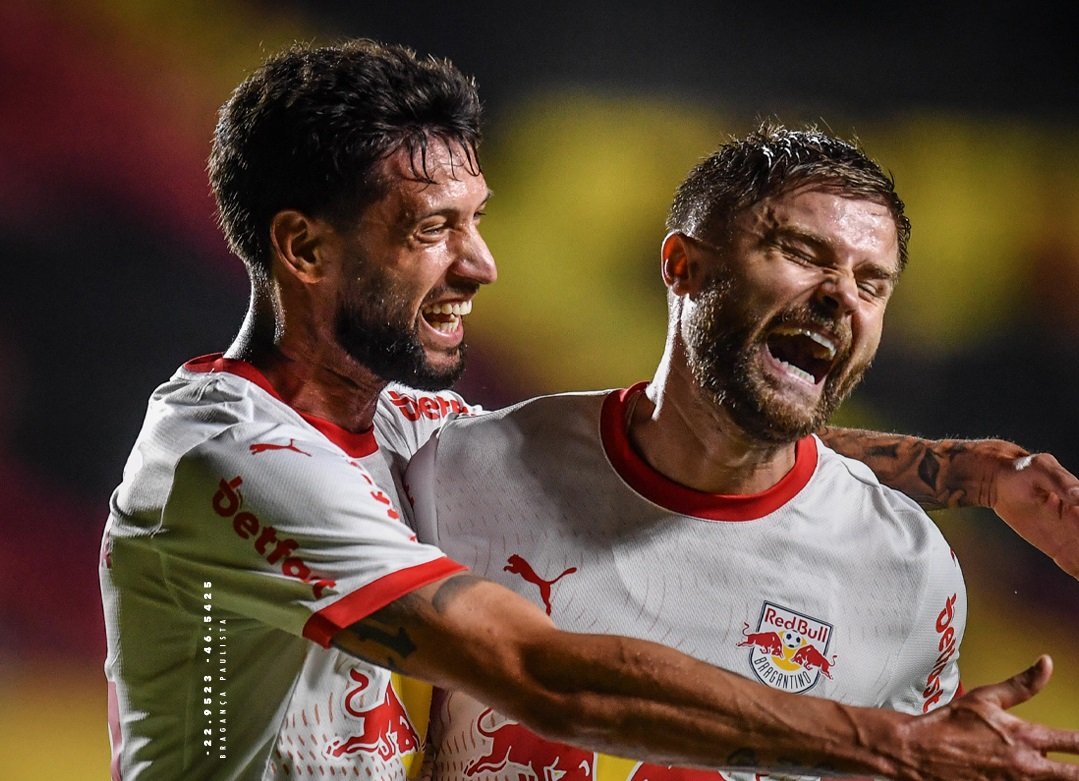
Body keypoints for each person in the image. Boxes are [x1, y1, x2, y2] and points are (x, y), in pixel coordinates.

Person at [99, 39, 1079, 781]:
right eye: (433, 228)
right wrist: (892, 744)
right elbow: (542, 676)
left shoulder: (380, 429)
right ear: (305, 251)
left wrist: (969, 474)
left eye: (475, 218)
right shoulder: (233, 457)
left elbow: (699, 426)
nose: (480, 262)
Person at [404, 121, 1079, 781]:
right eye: (802, 252)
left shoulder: (908, 572)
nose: (840, 295)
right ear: (682, 265)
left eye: (872, 283)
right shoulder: (456, 470)